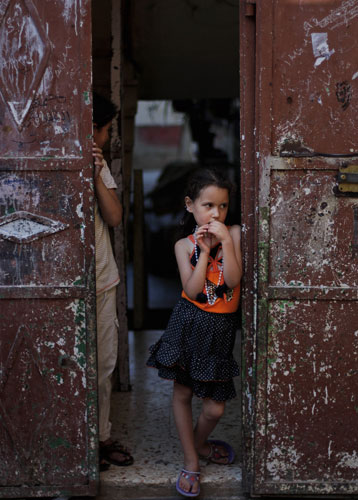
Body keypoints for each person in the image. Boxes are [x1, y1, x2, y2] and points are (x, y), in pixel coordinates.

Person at [147, 168, 242, 497]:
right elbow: (191, 287)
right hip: (189, 324)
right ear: (191, 205)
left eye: (223, 206)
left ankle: (200, 443)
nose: (216, 213)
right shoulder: (182, 245)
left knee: (215, 407)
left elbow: (231, 280)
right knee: (183, 395)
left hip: (219, 331)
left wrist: (226, 240)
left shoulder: (235, 234)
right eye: (208, 205)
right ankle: (191, 460)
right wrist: (202, 251)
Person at [92, 92, 134, 470]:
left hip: (100, 279)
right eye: (105, 131)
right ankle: (74, 444)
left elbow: (115, 217)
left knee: (103, 363)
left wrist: (95, 176)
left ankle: (100, 437)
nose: (106, 139)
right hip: (61, 285)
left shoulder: (98, 164)